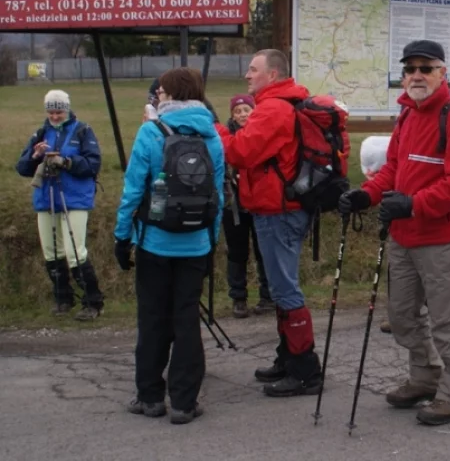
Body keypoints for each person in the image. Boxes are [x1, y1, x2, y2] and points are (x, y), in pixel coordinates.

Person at [339, 39, 450, 426]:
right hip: (404, 236)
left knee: (448, 322)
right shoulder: (407, 115)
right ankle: (425, 377)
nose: (417, 75)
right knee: (402, 316)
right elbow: (393, 170)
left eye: (426, 68)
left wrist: (414, 204)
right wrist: (366, 195)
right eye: (410, 69)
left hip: (444, 239)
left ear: (442, 74)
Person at [113, 68, 224, 424]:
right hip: (196, 245)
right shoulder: (212, 136)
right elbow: (218, 197)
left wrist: (122, 236)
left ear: (171, 94)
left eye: (161, 91)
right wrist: (212, 240)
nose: (157, 95)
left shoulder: (151, 132)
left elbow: (133, 190)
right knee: (187, 318)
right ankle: (184, 403)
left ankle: (149, 397)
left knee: (152, 318)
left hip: (155, 242)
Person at [216, 49, 323, 398]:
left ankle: (305, 370)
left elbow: (240, 152)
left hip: (279, 210)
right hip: (279, 207)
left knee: (285, 289)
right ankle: (288, 357)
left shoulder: (275, 108)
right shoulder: (282, 103)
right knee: (280, 287)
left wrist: (214, 128)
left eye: (253, 69)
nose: (247, 75)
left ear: (272, 75)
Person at [16, 89, 104, 321]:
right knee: (51, 251)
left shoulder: (83, 131)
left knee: (75, 251)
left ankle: (93, 302)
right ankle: (63, 298)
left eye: (59, 112)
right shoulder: (40, 133)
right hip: (46, 199)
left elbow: (93, 164)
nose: (55, 116)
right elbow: (22, 168)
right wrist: (35, 156)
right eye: (51, 112)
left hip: (75, 198)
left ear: (67, 109)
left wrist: (66, 162)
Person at [222, 94, 274, 318]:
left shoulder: (261, 134)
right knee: (236, 252)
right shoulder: (226, 137)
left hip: (260, 201)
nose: (243, 114)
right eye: (238, 111)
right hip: (233, 204)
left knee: (264, 250)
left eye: (246, 110)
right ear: (232, 115)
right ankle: (238, 298)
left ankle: (268, 296)